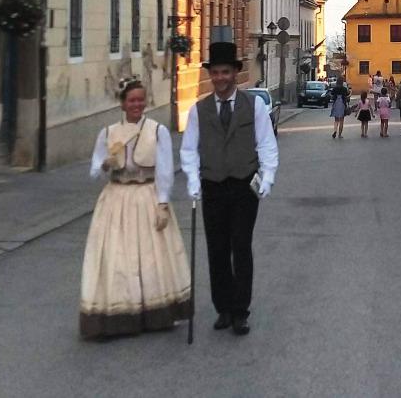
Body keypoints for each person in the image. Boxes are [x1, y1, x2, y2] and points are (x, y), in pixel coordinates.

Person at [178, 33, 279, 336]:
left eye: (225, 72)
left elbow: (266, 145)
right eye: (215, 72)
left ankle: (240, 311)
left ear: (235, 73)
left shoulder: (254, 106)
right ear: (210, 75)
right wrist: (193, 182)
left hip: (244, 185)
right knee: (216, 249)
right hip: (212, 186)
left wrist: (267, 179)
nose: (220, 78)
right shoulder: (199, 109)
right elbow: (188, 149)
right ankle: (222, 307)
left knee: (240, 246)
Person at [79, 77, 191, 340]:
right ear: (122, 103)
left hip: (146, 195)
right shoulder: (107, 133)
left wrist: (163, 202)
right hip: (116, 198)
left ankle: (153, 311)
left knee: (152, 257)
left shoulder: (157, 130)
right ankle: (120, 313)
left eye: (141, 100)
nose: (137, 105)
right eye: (132, 100)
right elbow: (94, 170)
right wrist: (105, 164)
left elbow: (165, 170)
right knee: (117, 257)